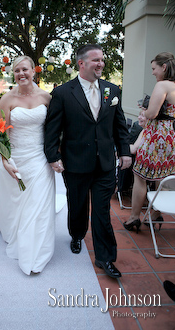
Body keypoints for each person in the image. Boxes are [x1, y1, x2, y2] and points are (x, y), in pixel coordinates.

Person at [44, 44, 132, 279]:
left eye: (102, 60)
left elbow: (119, 125)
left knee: (102, 211)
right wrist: (53, 156)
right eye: (95, 60)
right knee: (78, 204)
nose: (100, 64)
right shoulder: (63, 93)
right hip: (75, 163)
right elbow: (53, 129)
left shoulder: (112, 90)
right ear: (81, 63)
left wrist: (125, 151)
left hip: (104, 163)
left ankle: (105, 258)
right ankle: (76, 234)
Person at [0, 55, 55, 275]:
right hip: (15, 157)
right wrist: (5, 161)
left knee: (39, 205)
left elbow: (54, 130)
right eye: (17, 71)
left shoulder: (46, 97)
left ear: (34, 71)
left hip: (39, 157)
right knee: (16, 204)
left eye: (24, 69)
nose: (21, 74)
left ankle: (36, 252)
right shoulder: (6, 99)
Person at [124, 52, 175, 232]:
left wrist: (144, 110)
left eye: (154, 68)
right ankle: (155, 214)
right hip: (172, 136)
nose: (153, 72)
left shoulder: (162, 85)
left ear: (164, 67)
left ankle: (134, 218)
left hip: (157, 136)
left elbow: (152, 114)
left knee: (140, 176)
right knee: (167, 177)